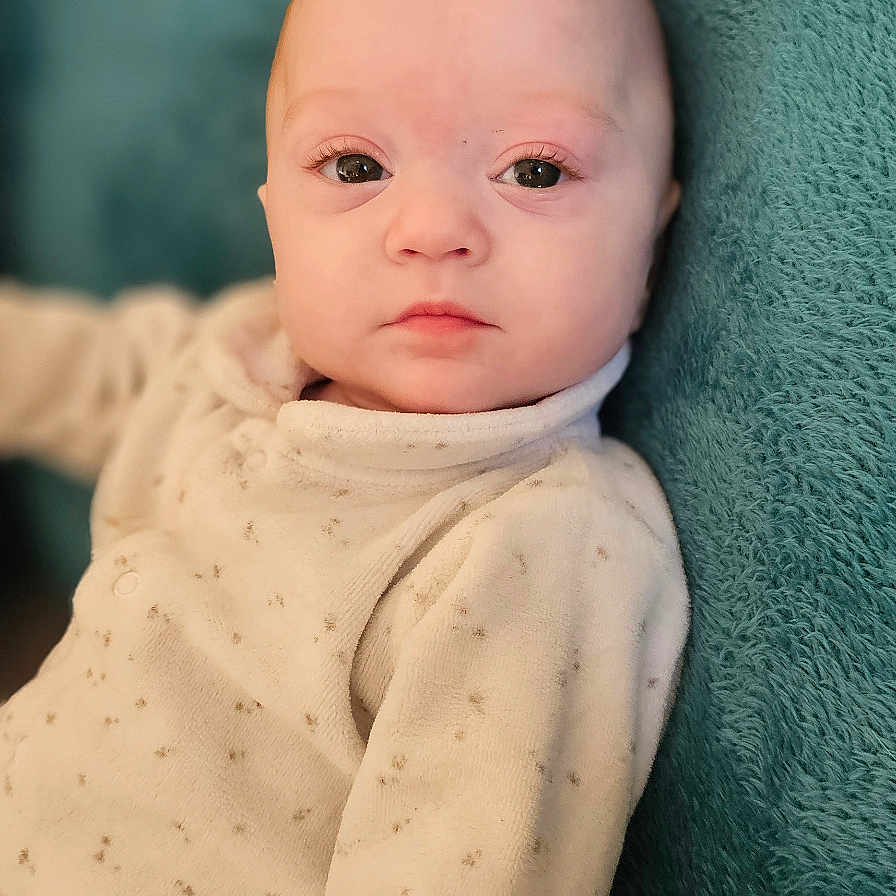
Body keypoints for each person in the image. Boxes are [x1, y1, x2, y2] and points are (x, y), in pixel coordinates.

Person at [0, 0, 689, 891]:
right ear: (275, 216)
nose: (431, 228)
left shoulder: (545, 540)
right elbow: (71, 372)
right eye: (356, 166)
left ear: (650, 248)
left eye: (536, 171)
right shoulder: (240, 354)